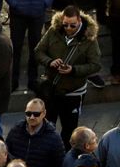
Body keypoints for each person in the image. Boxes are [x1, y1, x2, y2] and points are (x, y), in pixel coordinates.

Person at [33, 7, 101, 140]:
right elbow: (38, 51)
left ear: (79, 21)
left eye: (72, 25)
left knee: (69, 131)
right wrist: (50, 61)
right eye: (65, 25)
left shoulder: (89, 38)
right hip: (52, 89)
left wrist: (74, 70)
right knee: (46, 128)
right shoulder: (54, 30)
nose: (68, 28)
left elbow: (95, 65)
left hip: (73, 92)